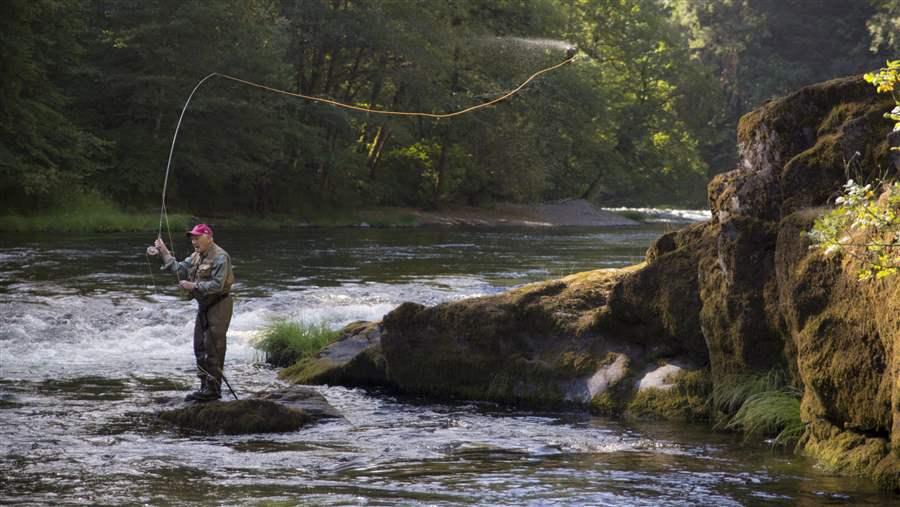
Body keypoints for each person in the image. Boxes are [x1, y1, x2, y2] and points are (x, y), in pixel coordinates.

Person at [151, 224, 235, 402]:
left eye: (197, 237)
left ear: (209, 237)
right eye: (193, 238)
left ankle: (213, 390)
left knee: (213, 348)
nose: (194, 241)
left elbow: (217, 285)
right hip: (204, 305)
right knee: (199, 347)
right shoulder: (196, 256)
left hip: (220, 305)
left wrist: (193, 286)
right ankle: (205, 387)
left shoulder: (220, 257)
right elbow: (179, 269)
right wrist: (164, 251)